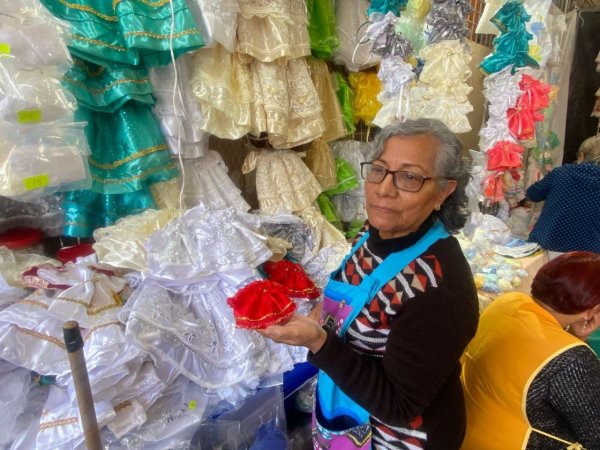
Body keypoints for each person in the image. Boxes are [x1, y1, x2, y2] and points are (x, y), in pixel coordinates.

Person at [261, 119, 479, 449]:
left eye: (409, 177)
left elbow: (399, 406)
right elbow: (353, 295)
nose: (384, 189)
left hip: (398, 439)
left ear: (445, 190)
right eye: (378, 169)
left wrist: (320, 342)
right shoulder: (374, 231)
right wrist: (313, 315)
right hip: (347, 416)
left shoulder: (438, 288)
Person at [461, 252, 600, 450]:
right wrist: (581, 338)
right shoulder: (571, 359)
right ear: (592, 311)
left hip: (465, 430)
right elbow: (595, 434)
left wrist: (580, 336)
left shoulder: (508, 302)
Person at [526, 135, 600, 258]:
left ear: (581, 155)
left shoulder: (561, 173)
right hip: (590, 254)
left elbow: (533, 194)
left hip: (548, 245)